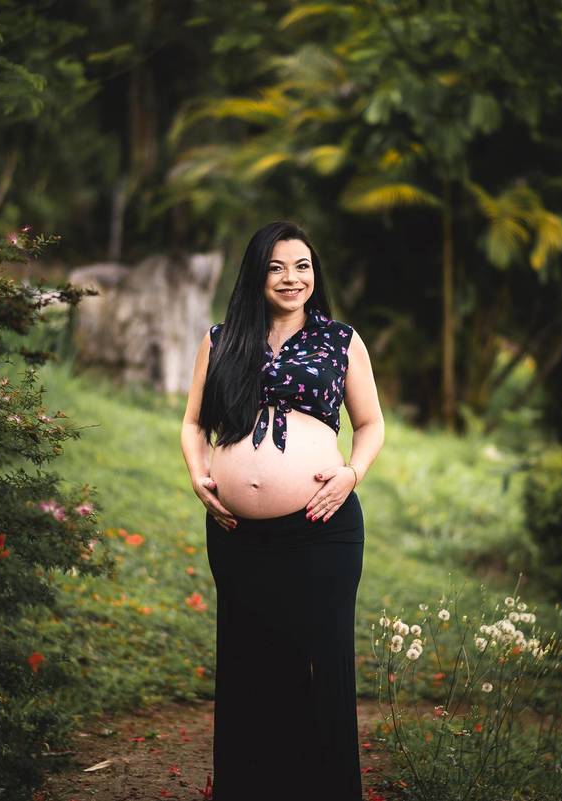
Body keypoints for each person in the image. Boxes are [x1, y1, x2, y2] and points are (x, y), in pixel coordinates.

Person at [180, 220, 385, 800]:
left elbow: (370, 424)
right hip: (237, 532)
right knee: (250, 664)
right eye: (276, 267)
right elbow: (194, 422)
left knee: (321, 665)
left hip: (322, 528)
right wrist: (200, 474)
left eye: (301, 267)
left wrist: (351, 474)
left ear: (314, 276)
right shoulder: (221, 340)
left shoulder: (340, 340)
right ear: (256, 274)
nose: (291, 278)